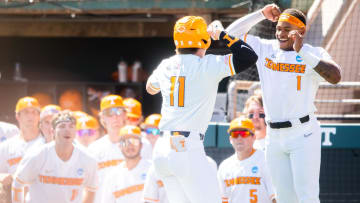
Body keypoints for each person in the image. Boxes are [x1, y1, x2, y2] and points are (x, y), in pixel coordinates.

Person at [225, 4, 342, 203]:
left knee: (307, 197)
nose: (280, 33)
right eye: (279, 28)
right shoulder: (265, 47)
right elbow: (229, 33)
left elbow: (335, 76)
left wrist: (302, 51)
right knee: (285, 198)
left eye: (287, 29)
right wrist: (261, 14)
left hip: (303, 133)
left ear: (302, 31)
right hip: (274, 136)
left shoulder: (314, 52)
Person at [146, 15, 258, 203]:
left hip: (162, 148)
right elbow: (249, 56)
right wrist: (222, 35)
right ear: (203, 40)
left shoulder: (166, 64)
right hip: (186, 147)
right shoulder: (207, 64)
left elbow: (150, 88)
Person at [11, 111, 98, 203]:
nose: (67, 130)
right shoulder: (38, 155)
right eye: (62, 126)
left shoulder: (88, 159)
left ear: (75, 131)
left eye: (71, 127)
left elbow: (91, 190)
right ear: (52, 131)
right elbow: (18, 183)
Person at [218, 117, 276, 203]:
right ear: (230, 139)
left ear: (254, 137)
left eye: (244, 133)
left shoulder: (265, 160)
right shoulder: (224, 166)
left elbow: (275, 197)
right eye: (235, 134)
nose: (239, 138)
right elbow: (223, 200)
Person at [0, 97, 44, 198]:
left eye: (34, 112)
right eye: (26, 112)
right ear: (17, 116)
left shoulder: (47, 144)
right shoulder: (6, 147)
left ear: (39, 116)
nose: (31, 116)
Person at [88, 95, 127, 203]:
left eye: (119, 112)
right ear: (102, 118)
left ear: (125, 115)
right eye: (109, 113)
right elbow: (88, 187)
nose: (115, 117)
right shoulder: (94, 149)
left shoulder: (138, 145)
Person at [102, 125, 151, 203]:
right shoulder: (112, 176)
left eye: (134, 141)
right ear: (119, 146)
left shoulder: (152, 169)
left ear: (141, 145)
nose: (130, 145)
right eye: (125, 142)